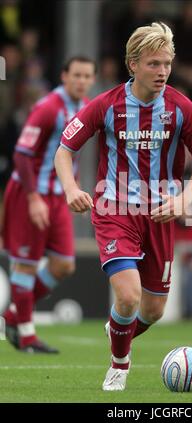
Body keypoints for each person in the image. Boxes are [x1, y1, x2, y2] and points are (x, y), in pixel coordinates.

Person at [55, 22, 192, 391]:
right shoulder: (107, 104)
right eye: (154, 64)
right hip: (115, 210)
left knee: (153, 311)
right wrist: (70, 189)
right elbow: (65, 150)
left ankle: (117, 329)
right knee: (128, 295)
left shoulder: (181, 108)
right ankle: (119, 367)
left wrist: (183, 199)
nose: (162, 72)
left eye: (167, 64)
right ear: (133, 64)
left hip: (160, 214)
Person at [1, 56, 96, 353]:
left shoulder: (86, 108)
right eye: (76, 75)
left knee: (64, 264)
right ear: (64, 76)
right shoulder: (48, 108)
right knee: (26, 264)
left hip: (57, 197)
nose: (81, 81)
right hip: (31, 194)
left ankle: (13, 315)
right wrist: (32, 199)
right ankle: (26, 336)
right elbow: (21, 155)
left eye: (86, 76)